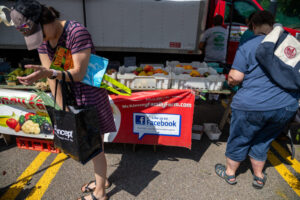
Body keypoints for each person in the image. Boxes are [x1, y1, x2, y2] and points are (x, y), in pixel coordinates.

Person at [10, 0, 115, 199]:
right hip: (69, 97)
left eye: (39, 34)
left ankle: (100, 193)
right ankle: (103, 179)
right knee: (84, 146)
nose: (40, 40)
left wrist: (50, 73)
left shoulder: (76, 32)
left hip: (90, 95)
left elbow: (78, 72)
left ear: (45, 20)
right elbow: (50, 77)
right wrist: (62, 109)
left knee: (95, 147)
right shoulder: (43, 42)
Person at [215, 10, 299, 189]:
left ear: (253, 26)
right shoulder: (290, 45)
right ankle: (259, 176)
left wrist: (230, 80)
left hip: (251, 106)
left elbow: (236, 77)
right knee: (264, 139)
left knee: (240, 137)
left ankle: (230, 173)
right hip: (285, 107)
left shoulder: (250, 45)